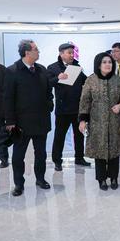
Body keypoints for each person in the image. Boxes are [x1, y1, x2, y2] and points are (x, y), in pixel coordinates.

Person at [4, 39, 53, 197]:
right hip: (21, 123)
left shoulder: (42, 69)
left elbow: (48, 91)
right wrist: (10, 121)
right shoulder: (12, 71)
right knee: (18, 156)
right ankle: (19, 184)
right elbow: (7, 98)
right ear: (27, 52)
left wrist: (49, 104)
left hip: (41, 120)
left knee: (41, 154)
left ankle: (40, 179)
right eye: (36, 49)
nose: (38, 52)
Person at [79, 52, 120, 190]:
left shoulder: (118, 80)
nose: (108, 64)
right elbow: (85, 101)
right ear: (98, 64)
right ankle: (101, 179)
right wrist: (82, 120)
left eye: (110, 62)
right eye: (104, 62)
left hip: (115, 122)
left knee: (114, 151)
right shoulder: (91, 80)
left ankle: (114, 177)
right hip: (97, 122)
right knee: (99, 152)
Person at [47, 43, 89, 171]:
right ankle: (57, 161)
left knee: (79, 135)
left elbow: (86, 81)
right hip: (63, 109)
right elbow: (47, 83)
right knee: (59, 136)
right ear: (61, 54)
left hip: (77, 108)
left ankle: (79, 158)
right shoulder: (53, 67)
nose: (71, 55)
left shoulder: (76, 66)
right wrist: (57, 78)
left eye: (72, 53)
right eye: (69, 53)